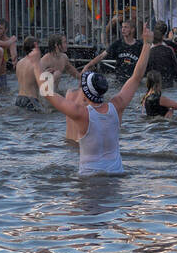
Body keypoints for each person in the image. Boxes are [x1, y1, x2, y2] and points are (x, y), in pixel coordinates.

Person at [42, 34, 152, 175]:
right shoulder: (117, 106)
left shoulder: (80, 113)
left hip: (89, 179)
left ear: (85, 95)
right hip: (116, 176)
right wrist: (147, 43)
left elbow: (47, 94)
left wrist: (39, 71)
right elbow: (136, 77)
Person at [13, 37, 45, 111]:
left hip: (19, 99)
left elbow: (27, 79)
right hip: (31, 100)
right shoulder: (37, 64)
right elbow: (43, 87)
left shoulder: (19, 63)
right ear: (35, 46)